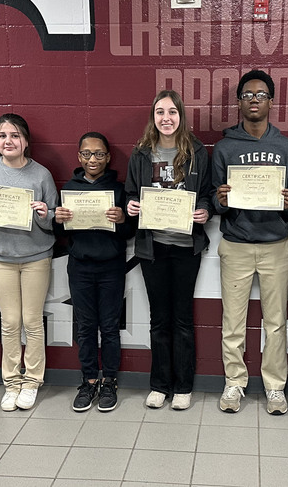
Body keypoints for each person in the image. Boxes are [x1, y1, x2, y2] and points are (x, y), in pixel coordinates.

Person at [212, 70, 288, 415]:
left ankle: (275, 387)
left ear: (271, 101)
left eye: (261, 95)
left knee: (275, 321)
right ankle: (234, 382)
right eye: (247, 95)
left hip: (277, 244)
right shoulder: (224, 147)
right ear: (238, 101)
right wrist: (220, 197)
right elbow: (215, 199)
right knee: (233, 321)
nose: (253, 100)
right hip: (236, 243)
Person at [0, 113, 58, 412]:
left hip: (35, 258)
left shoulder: (41, 174)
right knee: (9, 323)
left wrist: (44, 213)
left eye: (15, 135)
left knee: (32, 322)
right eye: (2, 135)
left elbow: (55, 219)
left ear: (26, 141)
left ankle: (31, 383)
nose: (8, 141)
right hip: (0, 257)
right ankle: (11, 383)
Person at [126, 90, 214, 411]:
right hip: (152, 249)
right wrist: (131, 206)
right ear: (153, 117)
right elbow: (129, 194)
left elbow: (206, 194)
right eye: (160, 112)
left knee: (182, 319)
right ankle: (159, 384)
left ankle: (183, 385)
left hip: (186, 247)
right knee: (158, 319)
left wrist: (204, 211)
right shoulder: (140, 153)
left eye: (172, 112)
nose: (166, 118)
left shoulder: (197, 152)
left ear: (181, 116)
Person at [54, 132, 134, 412]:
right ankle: (89, 380)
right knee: (86, 328)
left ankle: (109, 381)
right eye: (86, 153)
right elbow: (59, 232)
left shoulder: (120, 189)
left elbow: (129, 231)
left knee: (110, 327)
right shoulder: (69, 189)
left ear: (108, 158)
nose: (92, 159)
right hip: (80, 268)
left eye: (99, 154)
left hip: (111, 267)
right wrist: (58, 220)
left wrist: (123, 219)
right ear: (78, 156)